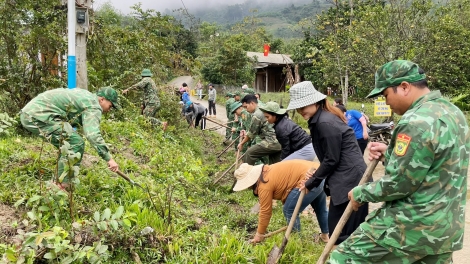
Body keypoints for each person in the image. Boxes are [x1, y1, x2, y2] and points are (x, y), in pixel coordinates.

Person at [329, 60, 470, 263]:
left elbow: (399, 183)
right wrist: (391, 153)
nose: (387, 102)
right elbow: (436, 163)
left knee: (341, 259)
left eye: (386, 95)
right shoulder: (454, 114)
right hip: (444, 231)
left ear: (404, 87)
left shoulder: (415, 121)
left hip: (408, 228)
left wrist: (361, 192)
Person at [287, 81, 368, 246]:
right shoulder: (319, 120)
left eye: (304, 105)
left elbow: (332, 159)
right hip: (344, 179)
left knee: (348, 236)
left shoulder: (325, 122)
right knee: (339, 234)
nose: (301, 110)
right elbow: (329, 158)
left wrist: (312, 181)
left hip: (352, 181)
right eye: (298, 107)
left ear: (315, 101)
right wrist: (315, 173)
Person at [20, 87, 121, 189]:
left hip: (30, 113)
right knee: (75, 142)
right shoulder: (94, 106)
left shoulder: (87, 96)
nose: (109, 110)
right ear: (102, 99)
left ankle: (61, 179)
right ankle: (60, 185)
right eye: (110, 105)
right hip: (37, 116)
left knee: (70, 141)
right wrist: (109, 159)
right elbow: (92, 135)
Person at [233, 160, 329, 244]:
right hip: (319, 174)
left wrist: (259, 234)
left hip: (309, 178)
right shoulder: (267, 171)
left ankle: (297, 242)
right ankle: (325, 236)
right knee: (321, 209)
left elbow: (265, 212)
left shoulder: (264, 184)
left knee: (289, 210)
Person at [238, 95, 281, 165]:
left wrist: (242, 143)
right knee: (274, 164)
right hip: (280, 141)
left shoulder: (257, 114)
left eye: (246, 107)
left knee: (249, 153)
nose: (246, 109)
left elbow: (251, 134)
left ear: (252, 103)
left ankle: (247, 174)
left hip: (272, 141)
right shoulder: (262, 106)